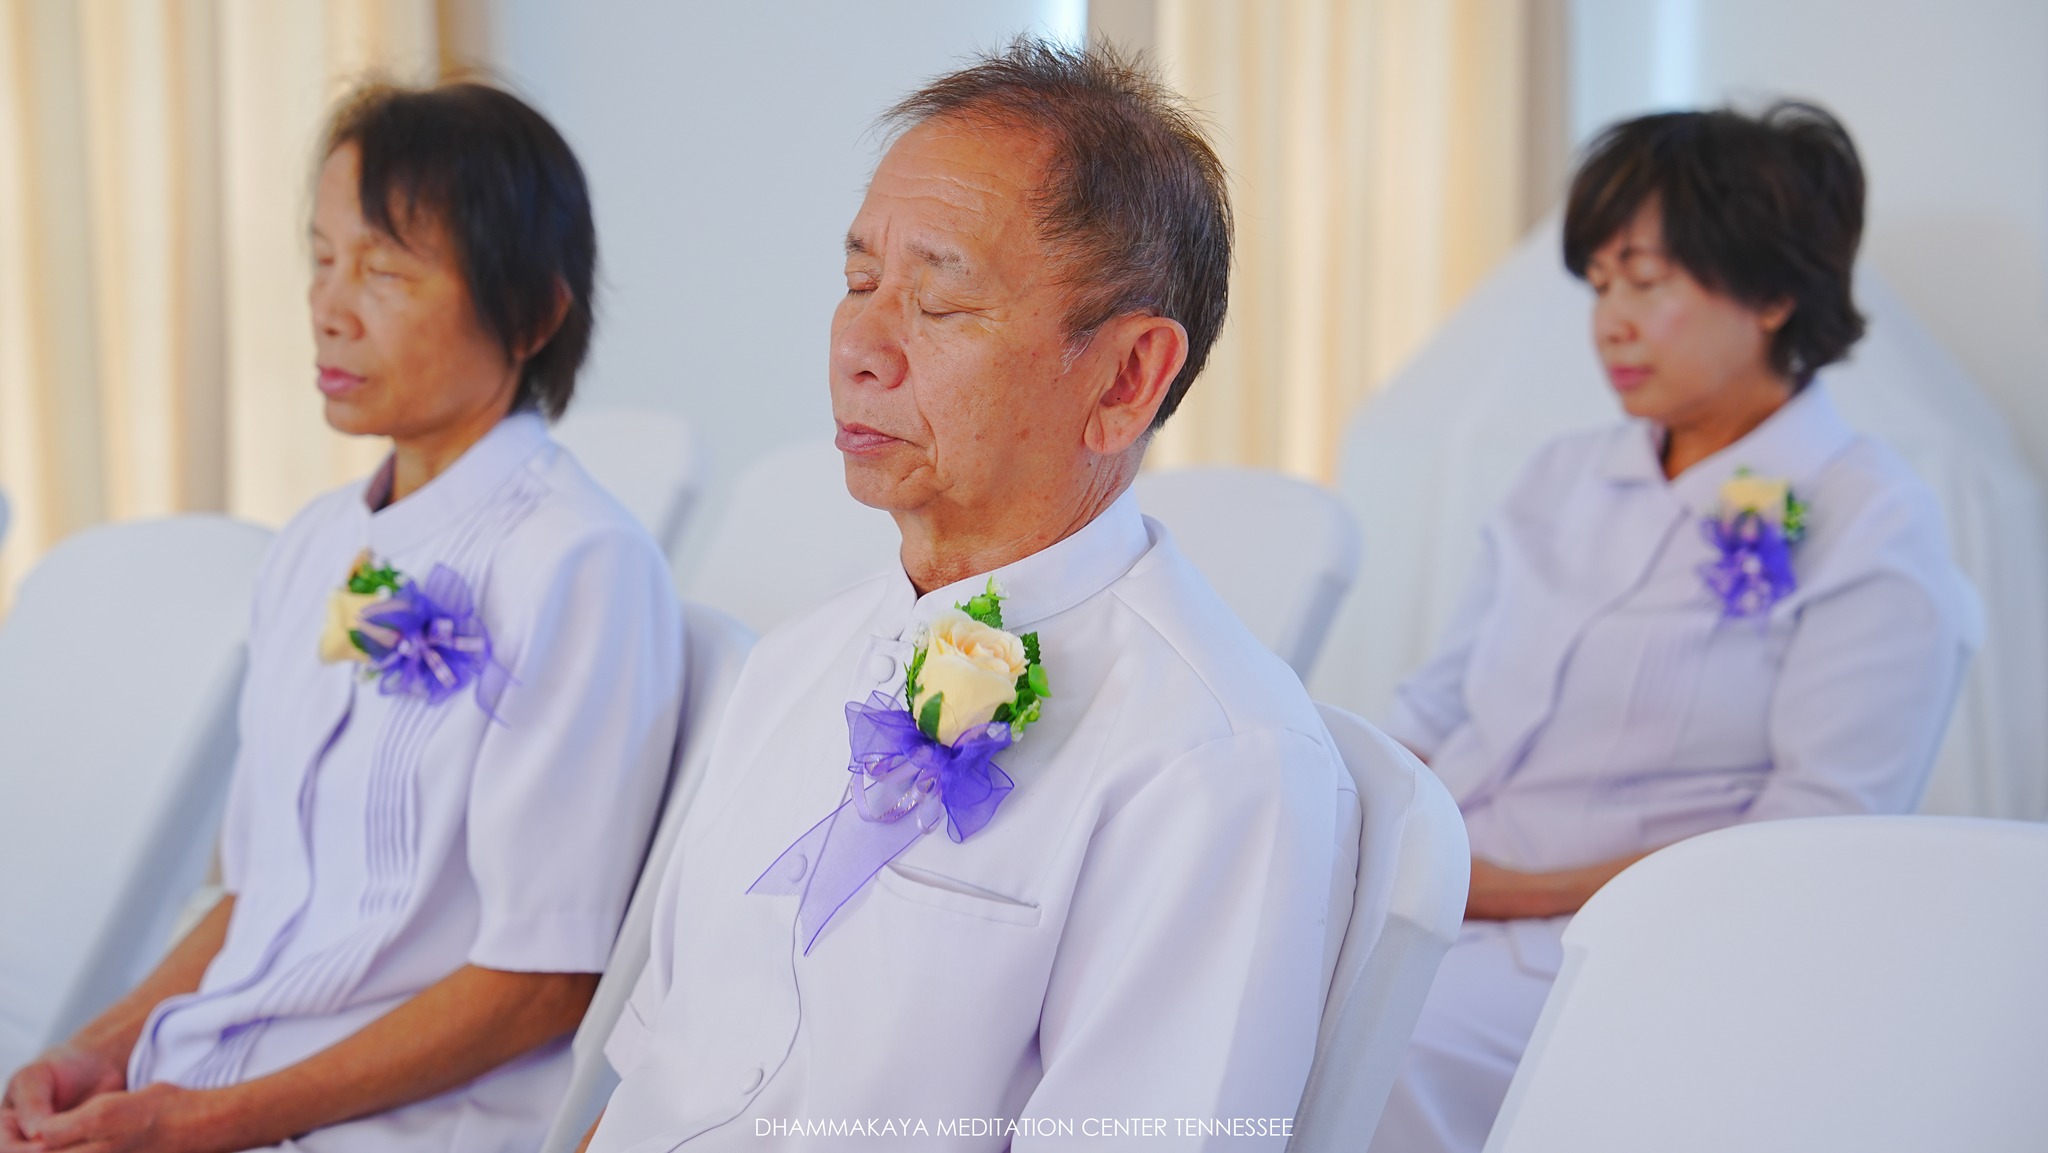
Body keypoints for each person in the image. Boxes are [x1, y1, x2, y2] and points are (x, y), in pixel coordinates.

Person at [581, 41, 1358, 1152]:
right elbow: (650, 1081)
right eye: (859, 283)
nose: (859, 345)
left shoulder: (1214, 762)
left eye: (940, 303)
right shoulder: (791, 662)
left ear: (1125, 377)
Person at [0, 82, 685, 1153]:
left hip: (390, 1127)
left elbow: (544, 979)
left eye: (386, 271)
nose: (329, 306)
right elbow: (259, 890)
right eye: (321, 259)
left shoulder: (578, 563)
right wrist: (96, 1051)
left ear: (533, 314)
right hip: (209, 1090)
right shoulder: (317, 543)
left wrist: (201, 1121)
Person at [1368, 103, 1981, 1153]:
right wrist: (1351, 827)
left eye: (1647, 281)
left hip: (1623, 948)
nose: (1610, 321)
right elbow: (1431, 706)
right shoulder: (1561, 476)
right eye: (1599, 284)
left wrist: (1501, 893)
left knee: (1376, 1054)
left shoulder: (1870, 522)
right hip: (1430, 897)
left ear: (1773, 294)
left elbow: (1812, 841)